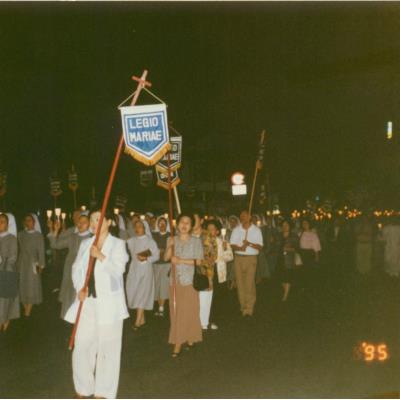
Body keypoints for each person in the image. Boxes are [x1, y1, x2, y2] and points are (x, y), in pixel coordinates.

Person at [64, 210, 129, 399]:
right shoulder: (85, 243)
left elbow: (119, 270)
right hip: (88, 302)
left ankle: (103, 392)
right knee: (82, 345)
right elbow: (76, 268)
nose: (94, 223)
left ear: (109, 222)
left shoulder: (118, 244)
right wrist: (79, 288)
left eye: (98, 219)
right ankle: (83, 388)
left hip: (109, 303)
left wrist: (100, 255)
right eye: (92, 219)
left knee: (108, 348)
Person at [164, 213, 204, 357]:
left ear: (191, 226)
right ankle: (180, 338)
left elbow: (199, 261)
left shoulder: (195, 241)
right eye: (182, 222)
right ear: (177, 224)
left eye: (188, 223)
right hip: (174, 280)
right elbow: (166, 258)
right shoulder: (171, 239)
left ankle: (183, 340)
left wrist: (181, 261)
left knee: (190, 310)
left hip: (189, 280)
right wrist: (169, 247)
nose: (184, 225)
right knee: (176, 310)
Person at [47, 214, 92, 319]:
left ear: (89, 224)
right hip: (70, 268)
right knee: (69, 294)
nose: (80, 224)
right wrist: (56, 230)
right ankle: (70, 321)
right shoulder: (73, 236)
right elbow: (55, 245)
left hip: (84, 270)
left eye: (84, 222)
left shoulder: (92, 238)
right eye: (79, 222)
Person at [126, 220, 159, 330]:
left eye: (140, 226)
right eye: (136, 226)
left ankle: (137, 322)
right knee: (133, 292)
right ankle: (142, 319)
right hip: (134, 269)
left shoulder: (150, 241)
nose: (137, 228)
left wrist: (146, 258)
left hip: (145, 269)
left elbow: (156, 256)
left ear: (145, 228)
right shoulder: (131, 241)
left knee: (142, 293)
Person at [200, 219, 233, 330]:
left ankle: (213, 319)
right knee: (205, 296)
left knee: (216, 297)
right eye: (208, 229)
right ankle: (203, 319)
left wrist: (224, 250)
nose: (210, 231)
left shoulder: (222, 242)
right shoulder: (203, 242)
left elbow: (230, 257)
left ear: (218, 231)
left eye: (213, 229)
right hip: (206, 272)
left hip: (218, 272)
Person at [229, 210, 263, 317]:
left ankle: (249, 308)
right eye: (241, 216)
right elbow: (232, 245)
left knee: (249, 283)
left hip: (251, 258)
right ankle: (243, 306)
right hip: (238, 258)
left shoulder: (256, 230)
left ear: (249, 217)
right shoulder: (236, 230)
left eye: (244, 216)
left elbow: (260, 246)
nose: (242, 218)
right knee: (240, 283)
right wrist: (240, 247)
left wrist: (249, 244)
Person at [18, 213, 45, 317]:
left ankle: (28, 310)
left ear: (34, 222)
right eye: (26, 220)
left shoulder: (38, 235)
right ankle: (26, 307)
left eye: (30, 220)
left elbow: (41, 251)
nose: (27, 222)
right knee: (22, 285)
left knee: (32, 285)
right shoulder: (20, 234)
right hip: (21, 263)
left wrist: (41, 265)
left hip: (33, 263)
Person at [0, 213, 19, 332]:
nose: (0, 223)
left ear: (7, 224)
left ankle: (4, 321)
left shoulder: (12, 238)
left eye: (2, 221)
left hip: (6, 273)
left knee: (4, 302)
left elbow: (12, 257)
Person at [152, 217, 170, 317]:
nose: (162, 225)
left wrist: (164, 250)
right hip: (155, 263)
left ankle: (161, 307)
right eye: (160, 223)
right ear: (157, 225)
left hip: (166, 264)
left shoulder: (169, 236)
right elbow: (150, 248)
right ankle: (159, 306)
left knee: (164, 284)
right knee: (157, 285)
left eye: (164, 223)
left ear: (166, 225)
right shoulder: (154, 235)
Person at [278, 220, 298, 302]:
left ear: (290, 226)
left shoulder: (293, 236)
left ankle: (285, 296)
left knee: (287, 277)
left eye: (286, 225)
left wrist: (288, 249)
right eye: (283, 225)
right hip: (280, 258)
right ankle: (288, 290)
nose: (284, 226)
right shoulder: (279, 235)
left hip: (288, 259)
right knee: (281, 278)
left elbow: (297, 248)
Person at [299, 219, 321, 290]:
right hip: (302, 253)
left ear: (309, 224)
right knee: (303, 270)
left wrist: (316, 256)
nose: (304, 225)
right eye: (303, 223)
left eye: (306, 223)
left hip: (309, 254)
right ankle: (304, 285)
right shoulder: (300, 233)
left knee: (310, 270)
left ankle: (310, 285)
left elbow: (316, 245)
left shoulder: (313, 234)